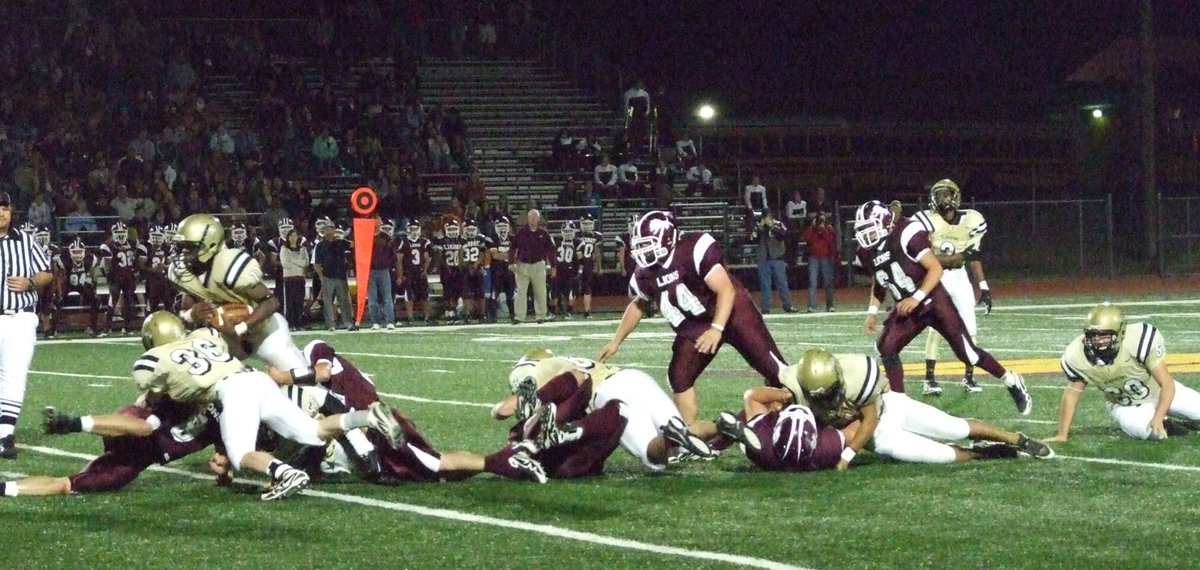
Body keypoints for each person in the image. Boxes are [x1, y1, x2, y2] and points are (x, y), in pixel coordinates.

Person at [131, 311, 403, 500]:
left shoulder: (154, 358)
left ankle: (286, 473)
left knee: (242, 455)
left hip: (233, 391)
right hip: (256, 379)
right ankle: (368, 417)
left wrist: (151, 399)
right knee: (314, 431)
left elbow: (152, 391)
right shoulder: (204, 336)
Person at [598, 210, 789, 427]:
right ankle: (690, 433)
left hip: (734, 311)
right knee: (679, 376)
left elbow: (726, 289)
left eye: (647, 243)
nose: (642, 251)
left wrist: (717, 328)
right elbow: (638, 304)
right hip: (697, 325)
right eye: (640, 245)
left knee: (778, 371)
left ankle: (799, 415)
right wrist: (616, 341)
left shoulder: (692, 249)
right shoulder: (645, 274)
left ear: (667, 237)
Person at [851, 200, 1031, 415]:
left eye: (870, 230)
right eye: (863, 231)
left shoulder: (907, 232)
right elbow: (881, 280)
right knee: (886, 348)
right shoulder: (866, 252)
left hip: (933, 300)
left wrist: (916, 298)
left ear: (885, 223)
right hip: (909, 307)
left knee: (969, 355)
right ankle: (900, 405)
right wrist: (871, 312)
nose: (866, 236)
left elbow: (935, 269)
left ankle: (1010, 380)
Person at [771, 348, 1053, 467]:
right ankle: (986, 454)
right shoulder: (793, 387)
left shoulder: (857, 373)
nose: (826, 400)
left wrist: (846, 456)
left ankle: (1018, 439)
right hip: (880, 440)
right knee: (941, 456)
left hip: (888, 411)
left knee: (954, 427)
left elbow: (869, 419)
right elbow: (759, 397)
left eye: (831, 391)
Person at [493, 349, 714, 471]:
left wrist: (497, 410)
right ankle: (722, 425)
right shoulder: (567, 359)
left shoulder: (542, 369)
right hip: (634, 377)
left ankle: (668, 436)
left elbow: (509, 407)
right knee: (687, 430)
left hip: (610, 393)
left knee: (654, 456)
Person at [169, 213, 309, 370]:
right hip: (225, 336)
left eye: (190, 247)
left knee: (300, 376)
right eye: (181, 247)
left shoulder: (228, 264)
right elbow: (183, 313)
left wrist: (241, 327)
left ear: (211, 244)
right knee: (196, 364)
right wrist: (190, 315)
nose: (184, 253)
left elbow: (271, 302)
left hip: (264, 330)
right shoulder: (185, 273)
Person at [1048, 303, 1200, 442]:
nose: (1098, 341)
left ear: (1120, 332)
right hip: (1125, 406)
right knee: (1157, 434)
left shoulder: (1138, 340)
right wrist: (1062, 434)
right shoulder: (1077, 355)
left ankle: (1180, 420)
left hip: (1159, 392)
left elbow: (1167, 383)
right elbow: (1072, 394)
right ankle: (1174, 425)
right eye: (1093, 335)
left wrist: (1158, 415)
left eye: (1104, 335)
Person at [913, 179, 993, 396]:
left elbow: (974, 257)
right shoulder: (927, 221)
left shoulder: (971, 220)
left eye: (947, 195)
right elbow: (923, 255)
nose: (943, 200)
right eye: (939, 195)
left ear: (955, 197)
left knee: (969, 327)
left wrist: (984, 287)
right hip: (938, 277)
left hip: (960, 278)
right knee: (936, 328)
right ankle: (929, 379)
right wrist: (954, 258)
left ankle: (969, 376)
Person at [0, 191, 53, 458]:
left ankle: (5, 435)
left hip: (20, 316)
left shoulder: (26, 242)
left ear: (11, 210)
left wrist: (30, 282)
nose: (1, 212)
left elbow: (46, 272)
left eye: (5, 207)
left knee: (13, 375)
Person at [510, 209, 554, 324]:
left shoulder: (543, 234)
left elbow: (550, 250)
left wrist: (553, 265)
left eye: (535, 217)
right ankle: (519, 316)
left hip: (538, 264)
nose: (533, 220)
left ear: (538, 219)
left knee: (540, 291)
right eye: (531, 217)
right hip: (522, 265)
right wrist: (511, 262)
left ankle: (540, 316)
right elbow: (513, 247)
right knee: (520, 292)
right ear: (527, 218)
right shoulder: (521, 233)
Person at [750, 209, 795, 313]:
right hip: (763, 259)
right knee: (765, 284)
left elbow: (783, 235)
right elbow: (753, 239)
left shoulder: (778, 224)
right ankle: (766, 307)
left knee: (782, 283)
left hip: (777, 257)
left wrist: (771, 226)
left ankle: (787, 305)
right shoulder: (758, 227)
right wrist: (760, 227)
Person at [313, 222, 355, 331]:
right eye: (327, 229)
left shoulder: (341, 242)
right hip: (328, 276)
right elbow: (317, 264)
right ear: (324, 231)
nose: (329, 232)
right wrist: (321, 277)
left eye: (331, 229)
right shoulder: (320, 246)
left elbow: (353, 244)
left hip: (341, 276)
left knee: (344, 301)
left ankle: (348, 323)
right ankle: (330, 324)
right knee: (328, 302)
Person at [395, 221, 434, 324]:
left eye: (415, 229)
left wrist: (425, 270)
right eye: (412, 229)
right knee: (408, 294)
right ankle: (410, 317)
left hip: (419, 271)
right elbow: (399, 259)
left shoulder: (424, 241)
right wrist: (401, 274)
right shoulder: (404, 241)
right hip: (409, 272)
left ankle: (427, 317)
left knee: (425, 294)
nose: (414, 231)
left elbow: (427, 258)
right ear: (408, 229)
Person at [802, 210, 838, 312]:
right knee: (812, 281)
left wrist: (823, 229)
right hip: (813, 257)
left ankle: (830, 305)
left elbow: (831, 240)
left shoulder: (829, 228)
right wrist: (812, 227)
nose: (821, 220)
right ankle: (811, 306)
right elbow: (806, 238)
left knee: (828, 282)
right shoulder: (812, 229)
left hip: (826, 257)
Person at [366, 220, 397, 330]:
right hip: (370, 271)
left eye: (377, 222)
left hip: (384, 270)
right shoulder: (366, 236)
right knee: (372, 299)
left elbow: (393, 255)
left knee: (387, 297)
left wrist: (388, 264)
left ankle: (389, 320)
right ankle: (375, 321)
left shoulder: (386, 237)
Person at [278, 228, 310, 327]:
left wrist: (292, 260)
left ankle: (298, 323)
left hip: (300, 279)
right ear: (288, 237)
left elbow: (305, 263)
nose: (293, 238)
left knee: (299, 301)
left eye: (295, 235)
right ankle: (290, 323)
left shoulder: (302, 249)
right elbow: (285, 264)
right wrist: (298, 262)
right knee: (290, 302)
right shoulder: (284, 249)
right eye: (291, 236)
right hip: (289, 279)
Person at [575, 214, 603, 318]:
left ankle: (586, 311)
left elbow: (597, 252)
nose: (587, 226)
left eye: (589, 223)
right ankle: (567, 311)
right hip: (575, 264)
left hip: (588, 264)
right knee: (572, 288)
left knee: (587, 287)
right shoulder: (575, 234)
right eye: (585, 223)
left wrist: (598, 266)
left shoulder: (597, 235)